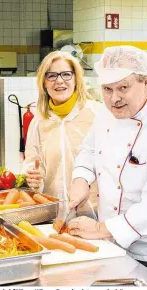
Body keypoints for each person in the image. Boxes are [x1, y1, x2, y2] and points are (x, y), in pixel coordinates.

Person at [66, 46, 147, 286]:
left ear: (146, 81)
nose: (114, 98)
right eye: (107, 89)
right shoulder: (107, 113)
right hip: (112, 240)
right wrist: (81, 178)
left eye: (123, 88)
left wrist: (99, 228)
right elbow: (89, 149)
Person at [22, 51, 99, 218]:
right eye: (52, 76)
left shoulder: (96, 115)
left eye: (66, 74)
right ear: (44, 82)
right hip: (53, 211)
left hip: (92, 211)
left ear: (76, 79)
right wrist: (34, 177)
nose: (59, 81)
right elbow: (32, 162)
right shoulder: (39, 122)